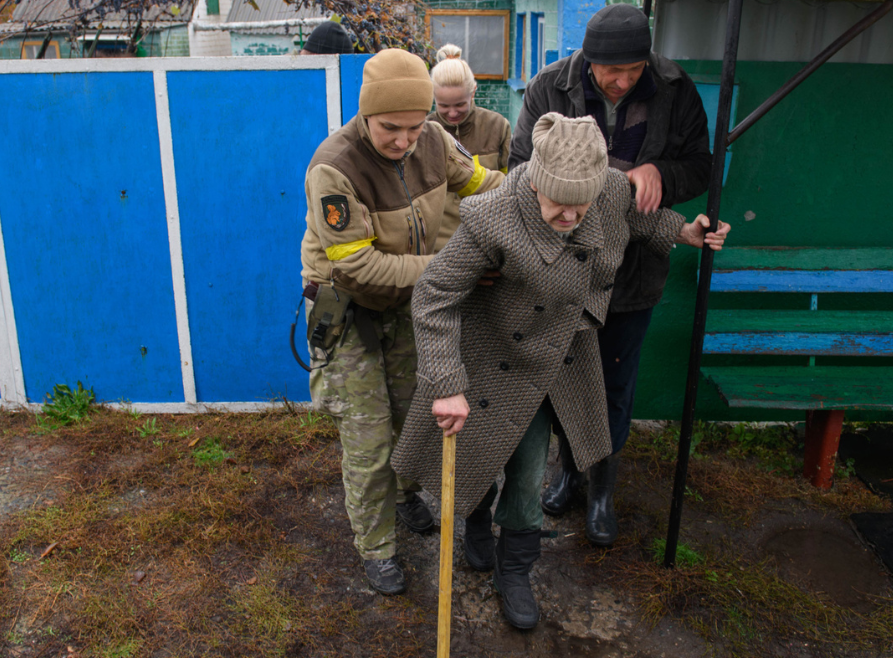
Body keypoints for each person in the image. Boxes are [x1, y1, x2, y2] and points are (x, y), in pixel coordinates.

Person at [392, 114, 729, 629]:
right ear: (533, 183)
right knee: (481, 455)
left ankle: (516, 571)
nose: (570, 215)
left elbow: (638, 220)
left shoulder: (612, 191)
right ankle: (476, 526)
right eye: (557, 204)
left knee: (528, 472)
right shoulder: (491, 215)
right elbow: (434, 294)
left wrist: (685, 231)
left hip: (558, 362)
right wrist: (447, 384)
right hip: (493, 355)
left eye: (582, 205)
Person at [301, 48, 505, 596]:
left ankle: (407, 493)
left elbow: (484, 183)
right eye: (391, 127)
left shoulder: (436, 140)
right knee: (368, 442)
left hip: (411, 306)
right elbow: (359, 266)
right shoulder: (333, 168)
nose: (404, 141)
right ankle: (377, 548)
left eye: (415, 127)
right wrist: (452, 268)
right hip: (349, 316)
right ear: (365, 114)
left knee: (414, 417)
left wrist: (543, 197)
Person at [508, 4, 713, 546]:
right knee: (560, 379)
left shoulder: (674, 88)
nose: (622, 81)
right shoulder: (549, 86)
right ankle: (568, 471)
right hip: (562, 269)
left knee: (615, 384)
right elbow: (518, 165)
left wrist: (659, 173)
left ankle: (601, 486)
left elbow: (700, 165)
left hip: (633, 270)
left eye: (633, 69)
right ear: (587, 61)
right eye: (610, 71)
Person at [428, 44, 512, 248]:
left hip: (488, 242)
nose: (452, 113)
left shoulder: (497, 127)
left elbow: (510, 188)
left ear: (473, 92)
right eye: (443, 106)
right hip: (438, 248)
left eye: (460, 105)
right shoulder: (424, 133)